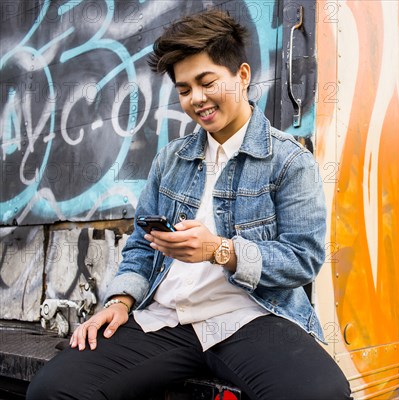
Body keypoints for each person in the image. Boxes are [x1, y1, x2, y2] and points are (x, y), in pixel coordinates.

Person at [27, 9, 351, 400]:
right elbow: (140, 249)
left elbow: (303, 258)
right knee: (52, 390)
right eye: (183, 90)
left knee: (322, 393)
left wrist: (221, 251)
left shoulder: (289, 161)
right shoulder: (170, 159)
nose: (197, 99)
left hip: (248, 317)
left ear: (242, 75)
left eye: (206, 82)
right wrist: (119, 300)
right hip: (167, 319)